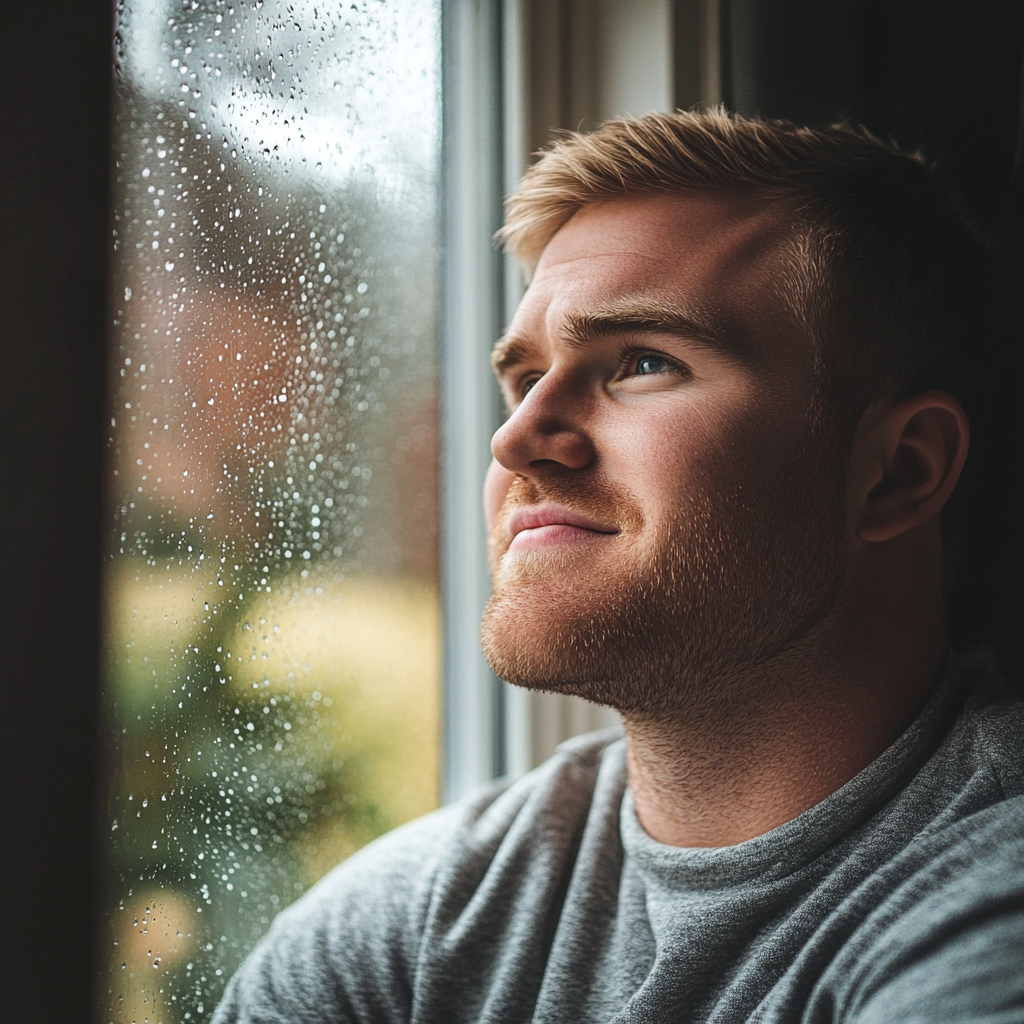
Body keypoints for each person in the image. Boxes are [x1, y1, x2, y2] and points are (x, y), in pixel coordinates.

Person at [213, 110, 1024, 1023]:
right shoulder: (413, 926)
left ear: (898, 471)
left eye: (642, 361)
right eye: (523, 381)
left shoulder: (989, 904)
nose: (517, 438)